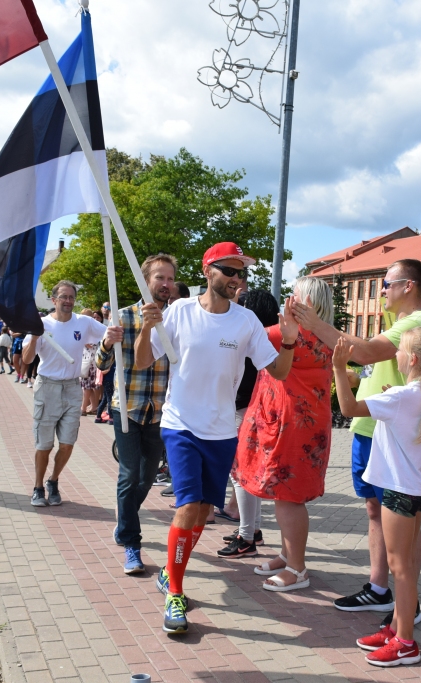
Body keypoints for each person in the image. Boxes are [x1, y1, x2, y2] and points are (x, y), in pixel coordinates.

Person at [134, 241, 298, 635]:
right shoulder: (179, 312)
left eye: (242, 272)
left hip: (222, 431)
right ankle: (175, 592)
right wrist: (146, 327)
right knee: (189, 506)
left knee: (204, 511)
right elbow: (141, 360)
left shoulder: (246, 321)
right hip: (181, 424)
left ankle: (170, 572)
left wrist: (290, 340)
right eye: (229, 270)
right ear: (208, 271)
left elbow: (278, 371)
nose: (237, 278)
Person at [293, 259, 421, 626]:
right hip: (370, 427)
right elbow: (373, 361)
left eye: (387, 283)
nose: (382, 290)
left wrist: (314, 323)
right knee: (376, 510)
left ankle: (407, 604)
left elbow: (366, 352)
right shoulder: (397, 320)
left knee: (405, 521)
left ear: (408, 286)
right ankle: (379, 589)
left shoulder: (417, 323)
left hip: (386, 433)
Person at [333, 326, 421, 667]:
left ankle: (405, 643)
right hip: (416, 488)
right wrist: (391, 396)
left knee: (400, 569)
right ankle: (398, 629)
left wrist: (339, 368)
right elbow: (401, 413)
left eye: (400, 349)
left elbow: (348, 407)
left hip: (399, 492)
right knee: (407, 566)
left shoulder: (402, 397)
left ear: (411, 359)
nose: (394, 353)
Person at [227, 278, 335, 594]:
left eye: (295, 296)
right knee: (289, 496)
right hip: (309, 423)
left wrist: (232, 306)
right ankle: (288, 557)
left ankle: (297, 569)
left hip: (290, 425)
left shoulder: (285, 334)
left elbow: (239, 337)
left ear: (307, 303)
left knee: (288, 499)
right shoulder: (329, 335)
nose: (288, 300)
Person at [97, 254, 176, 574]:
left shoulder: (177, 319)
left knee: (146, 478)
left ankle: (124, 518)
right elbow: (102, 365)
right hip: (127, 409)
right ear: (145, 281)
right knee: (129, 475)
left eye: (170, 278)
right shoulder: (123, 316)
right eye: (160, 277)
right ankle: (132, 543)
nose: (166, 284)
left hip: (160, 411)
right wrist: (106, 343)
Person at [22, 280, 122, 507]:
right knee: (44, 444)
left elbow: (110, 334)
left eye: (71, 297)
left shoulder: (83, 323)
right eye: (64, 297)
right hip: (47, 387)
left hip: (72, 388)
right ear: (54, 300)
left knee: (67, 443)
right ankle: (38, 487)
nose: (68, 301)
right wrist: (35, 336)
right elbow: (27, 359)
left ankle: (53, 480)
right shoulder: (42, 324)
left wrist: (119, 327)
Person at [217, 290, 281, 547]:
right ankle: (253, 529)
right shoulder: (272, 339)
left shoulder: (248, 336)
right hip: (259, 410)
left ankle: (246, 535)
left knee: (240, 473)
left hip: (242, 410)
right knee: (250, 472)